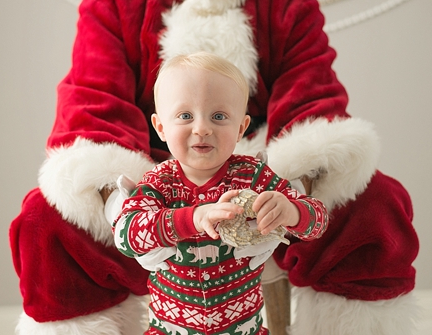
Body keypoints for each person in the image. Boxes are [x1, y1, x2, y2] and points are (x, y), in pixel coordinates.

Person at [9, 0, 419, 334]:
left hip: (259, 172)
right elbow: (93, 106)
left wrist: (283, 199)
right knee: (44, 225)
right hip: (149, 178)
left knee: (376, 205)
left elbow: (313, 104)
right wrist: (125, 206)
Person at [111, 52, 328, 335]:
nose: (202, 128)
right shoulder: (159, 182)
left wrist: (291, 211)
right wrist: (193, 218)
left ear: (241, 128)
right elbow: (126, 235)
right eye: (185, 115)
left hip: (242, 328)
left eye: (218, 116)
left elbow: (318, 221)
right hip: (171, 328)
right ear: (161, 128)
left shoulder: (253, 176)